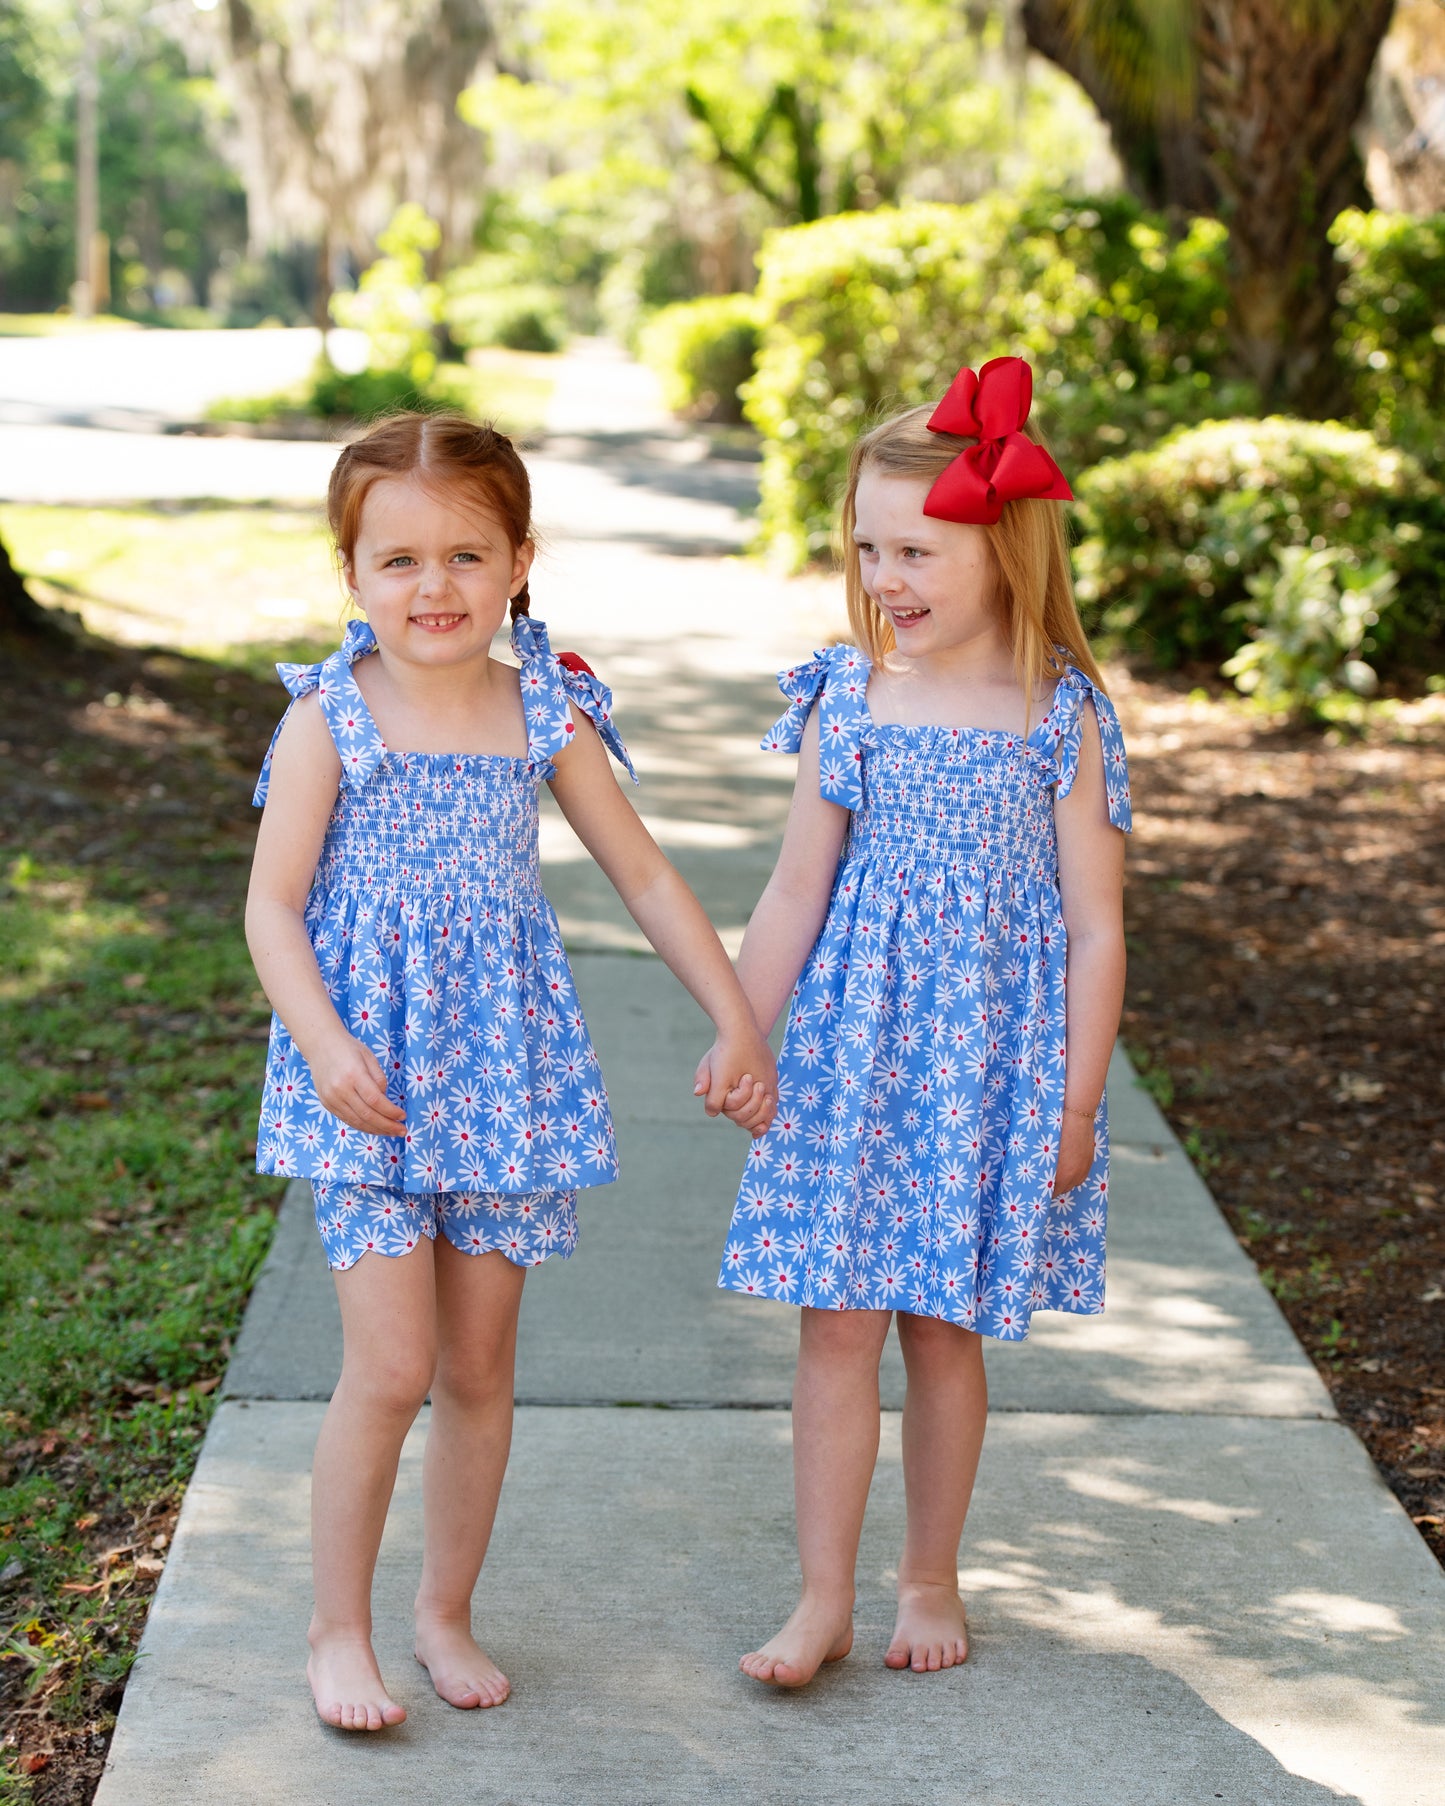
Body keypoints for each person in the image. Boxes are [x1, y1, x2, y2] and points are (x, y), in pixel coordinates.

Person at [246, 411, 775, 1732]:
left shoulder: (541, 705)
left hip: (505, 1073)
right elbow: (271, 907)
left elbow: (642, 870)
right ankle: (336, 1629)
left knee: (480, 1368)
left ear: (521, 558)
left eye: (467, 555)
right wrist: (322, 1043)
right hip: (364, 1077)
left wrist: (734, 1013)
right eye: (400, 560)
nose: (435, 588)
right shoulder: (330, 715)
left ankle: (442, 1610)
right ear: (352, 573)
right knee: (389, 1363)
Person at [712, 357, 1131, 1687]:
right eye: (867, 547)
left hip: (987, 1071)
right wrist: (742, 1024)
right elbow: (794, 888)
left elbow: (1094, 927)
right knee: (834, 1322)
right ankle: (820, 1594)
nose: (885, 574)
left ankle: (927, 1573)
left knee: (942, 1326)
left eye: (917, 549)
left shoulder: (1060, 714)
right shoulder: (852, 696)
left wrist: (1070, 1102)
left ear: (1004, 548)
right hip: (849, 1049)